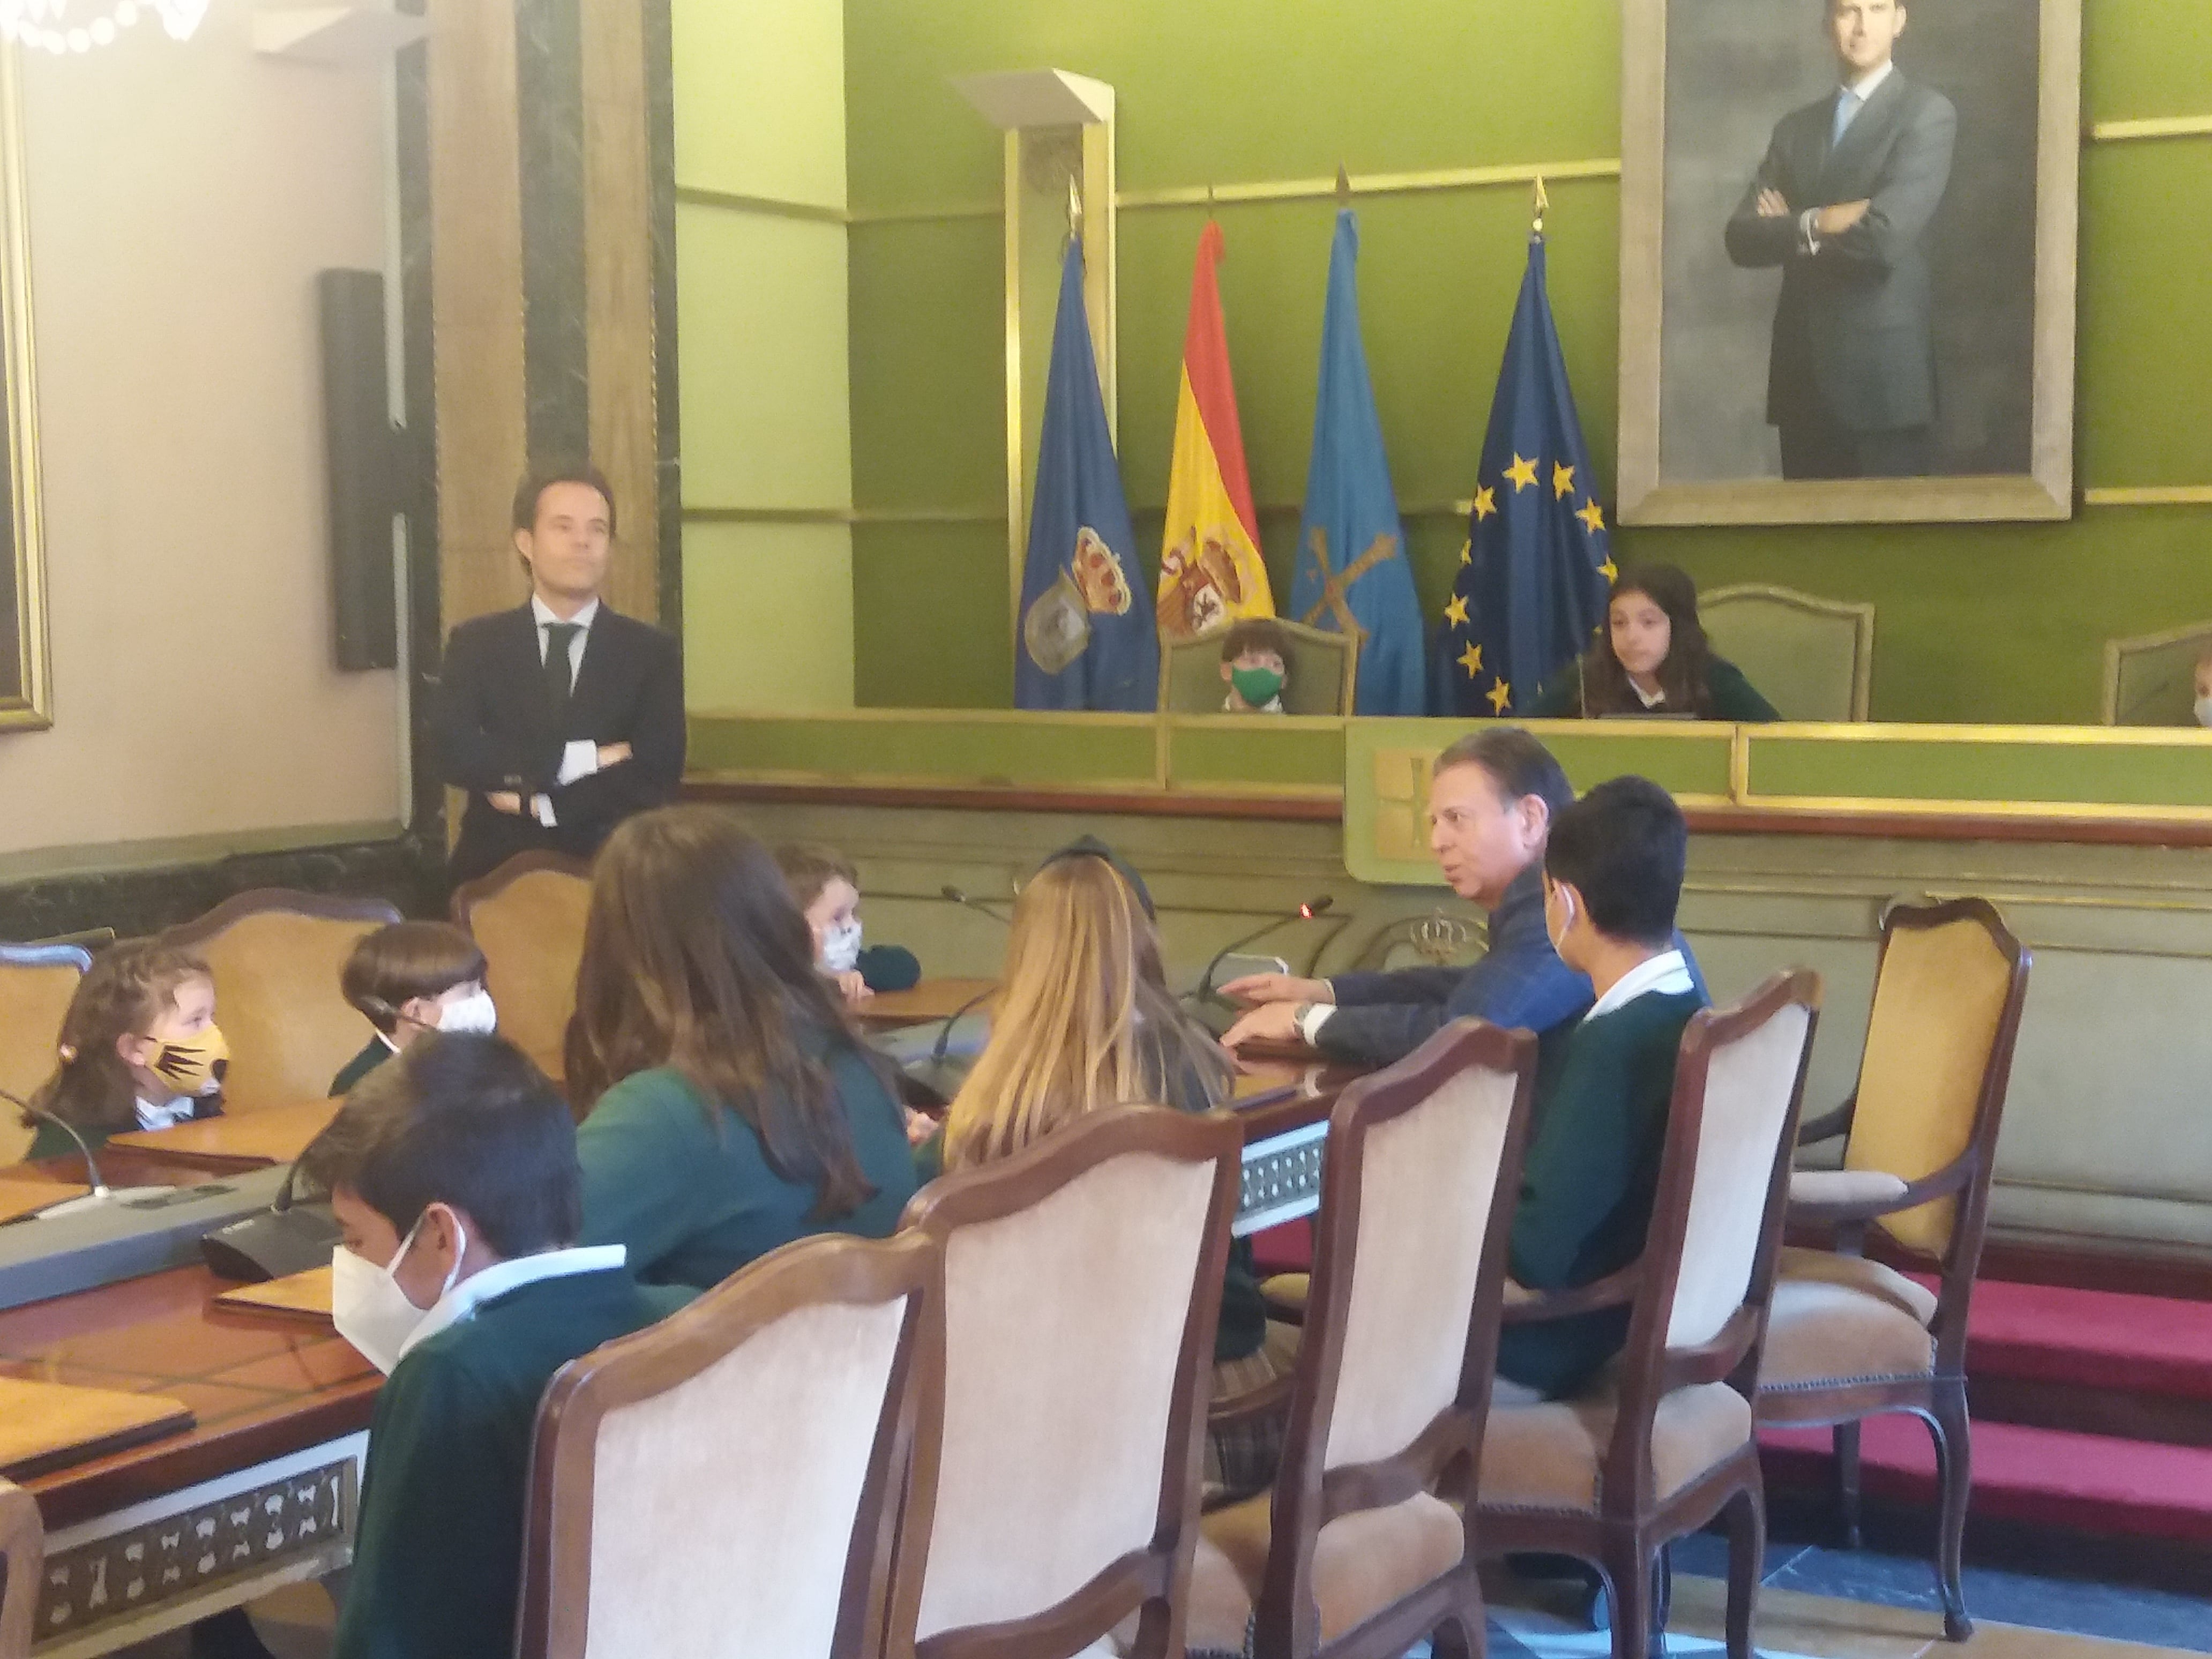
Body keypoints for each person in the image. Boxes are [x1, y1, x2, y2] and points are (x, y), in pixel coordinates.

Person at [300, 1033, 689, 1659]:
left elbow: (393, 1642)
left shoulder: (450, 1378)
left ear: (439, 1235)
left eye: (357, 1239)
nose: (352, 1265)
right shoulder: (685, 1315)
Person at [932, 850, 1296, 1505]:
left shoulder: (998, 1101)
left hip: (1065, 1414)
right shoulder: (1192, 1062)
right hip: (1213, 1393)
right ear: (1141, 939)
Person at [567, 805, 918, 1288]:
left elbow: (514, 1292)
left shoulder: (667, 1112)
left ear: (619, 952)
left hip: (715, 1362)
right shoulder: (863, 1067)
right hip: (864, 1361)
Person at [1223, 728, 1651, 1067]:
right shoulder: (1545, 897)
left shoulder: (1568, 908)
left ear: (1530, 819)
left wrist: (1303, 1020)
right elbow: (1467, 987)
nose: (1437, 841)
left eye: (1456, 819)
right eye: (1434, 822)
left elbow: (1462, 1032)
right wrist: (1322, 992)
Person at [1498, 776, 1709, 1399]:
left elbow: (1535, 1256)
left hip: (1553, 1343)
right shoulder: (1689, 1005)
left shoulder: (1613, 1043)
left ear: (1565, 904)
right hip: (1625, 1316)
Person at [1723, 0, 1957, 480]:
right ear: (1828, 24)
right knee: (1807, 553)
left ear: (1899, 20)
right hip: (1802, 376)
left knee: (1888, 550)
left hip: (1884, 384)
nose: (1862, 24)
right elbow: (1742, 237)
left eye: (1876, 8)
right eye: (1848, 10)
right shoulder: (1795, 129)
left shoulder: (1926, 114)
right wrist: (1822, 221)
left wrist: (1790, 227)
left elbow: (1882, 241)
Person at [436, 462, 685, 887]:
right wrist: (582, 759)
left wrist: (544, 807)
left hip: (614, 874)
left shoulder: (650, 651)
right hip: (490, 874)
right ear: (526, 542)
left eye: (598, 529)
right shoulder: (476, 643)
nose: (582, 542)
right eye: (563, 527)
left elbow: (656, 769)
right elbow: (455, 752)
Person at [21, 942, 228, 1159]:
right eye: (195, 1020)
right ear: (133, 1048)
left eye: (211, 1017)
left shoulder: (205, 1110)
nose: (213, 1033)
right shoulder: (74, 1142)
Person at [1526, 563, 1779, 722]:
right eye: (1619, 623)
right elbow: (1515, 736)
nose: (1631, 637)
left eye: (1649, 623)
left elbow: (1778, 741)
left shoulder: (1714, 679)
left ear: (1678, 628)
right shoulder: (1583, 680)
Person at [331, 922, 495, 1095]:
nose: (483, 999)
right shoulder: (362, 1087)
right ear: (417, 1012)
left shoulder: (480, 1057)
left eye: (480, 986)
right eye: (470, 992)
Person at [774, 842, 875, 1008]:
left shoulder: (858, 963)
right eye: (837, 917)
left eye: (854, 913)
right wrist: (825, 984)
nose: (851, 926)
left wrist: (850, 979)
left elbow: (903, 966)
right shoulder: (771, 981)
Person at [1219, 616, 1292, 713]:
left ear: (1284, 680)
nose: (1263, 670)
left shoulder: (1295, 727)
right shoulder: (1206, 726)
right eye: (1253, 661)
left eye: (1275, 664)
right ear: (1227, 671)